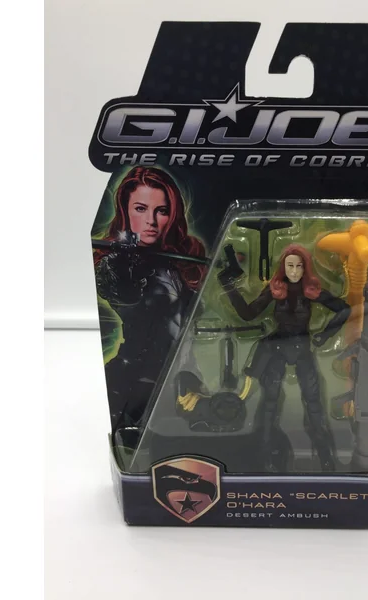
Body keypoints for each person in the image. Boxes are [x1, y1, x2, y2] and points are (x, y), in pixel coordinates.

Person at [218, 244, 350, 472]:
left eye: (299, 266)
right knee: (269, 403)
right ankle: (263, 455)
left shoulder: (310, 290)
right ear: (283, 267)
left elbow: (344, 309)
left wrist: (324, 335)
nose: (295, 271)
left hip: (302, 348)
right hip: (277, 348)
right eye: (290, 266)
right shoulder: (276, 289)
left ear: (306, 268)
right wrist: (229, 286)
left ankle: (325, 455)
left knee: (314, 404)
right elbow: (248, 314)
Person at [95, 167, 206, 429]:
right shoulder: (118, 264)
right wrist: (122, 260)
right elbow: (124, 293)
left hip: (182, 375)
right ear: (125, 211)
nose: (151, 221)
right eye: (141, 209)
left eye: (161, 211)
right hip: (133, 382)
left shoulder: (179, 263)